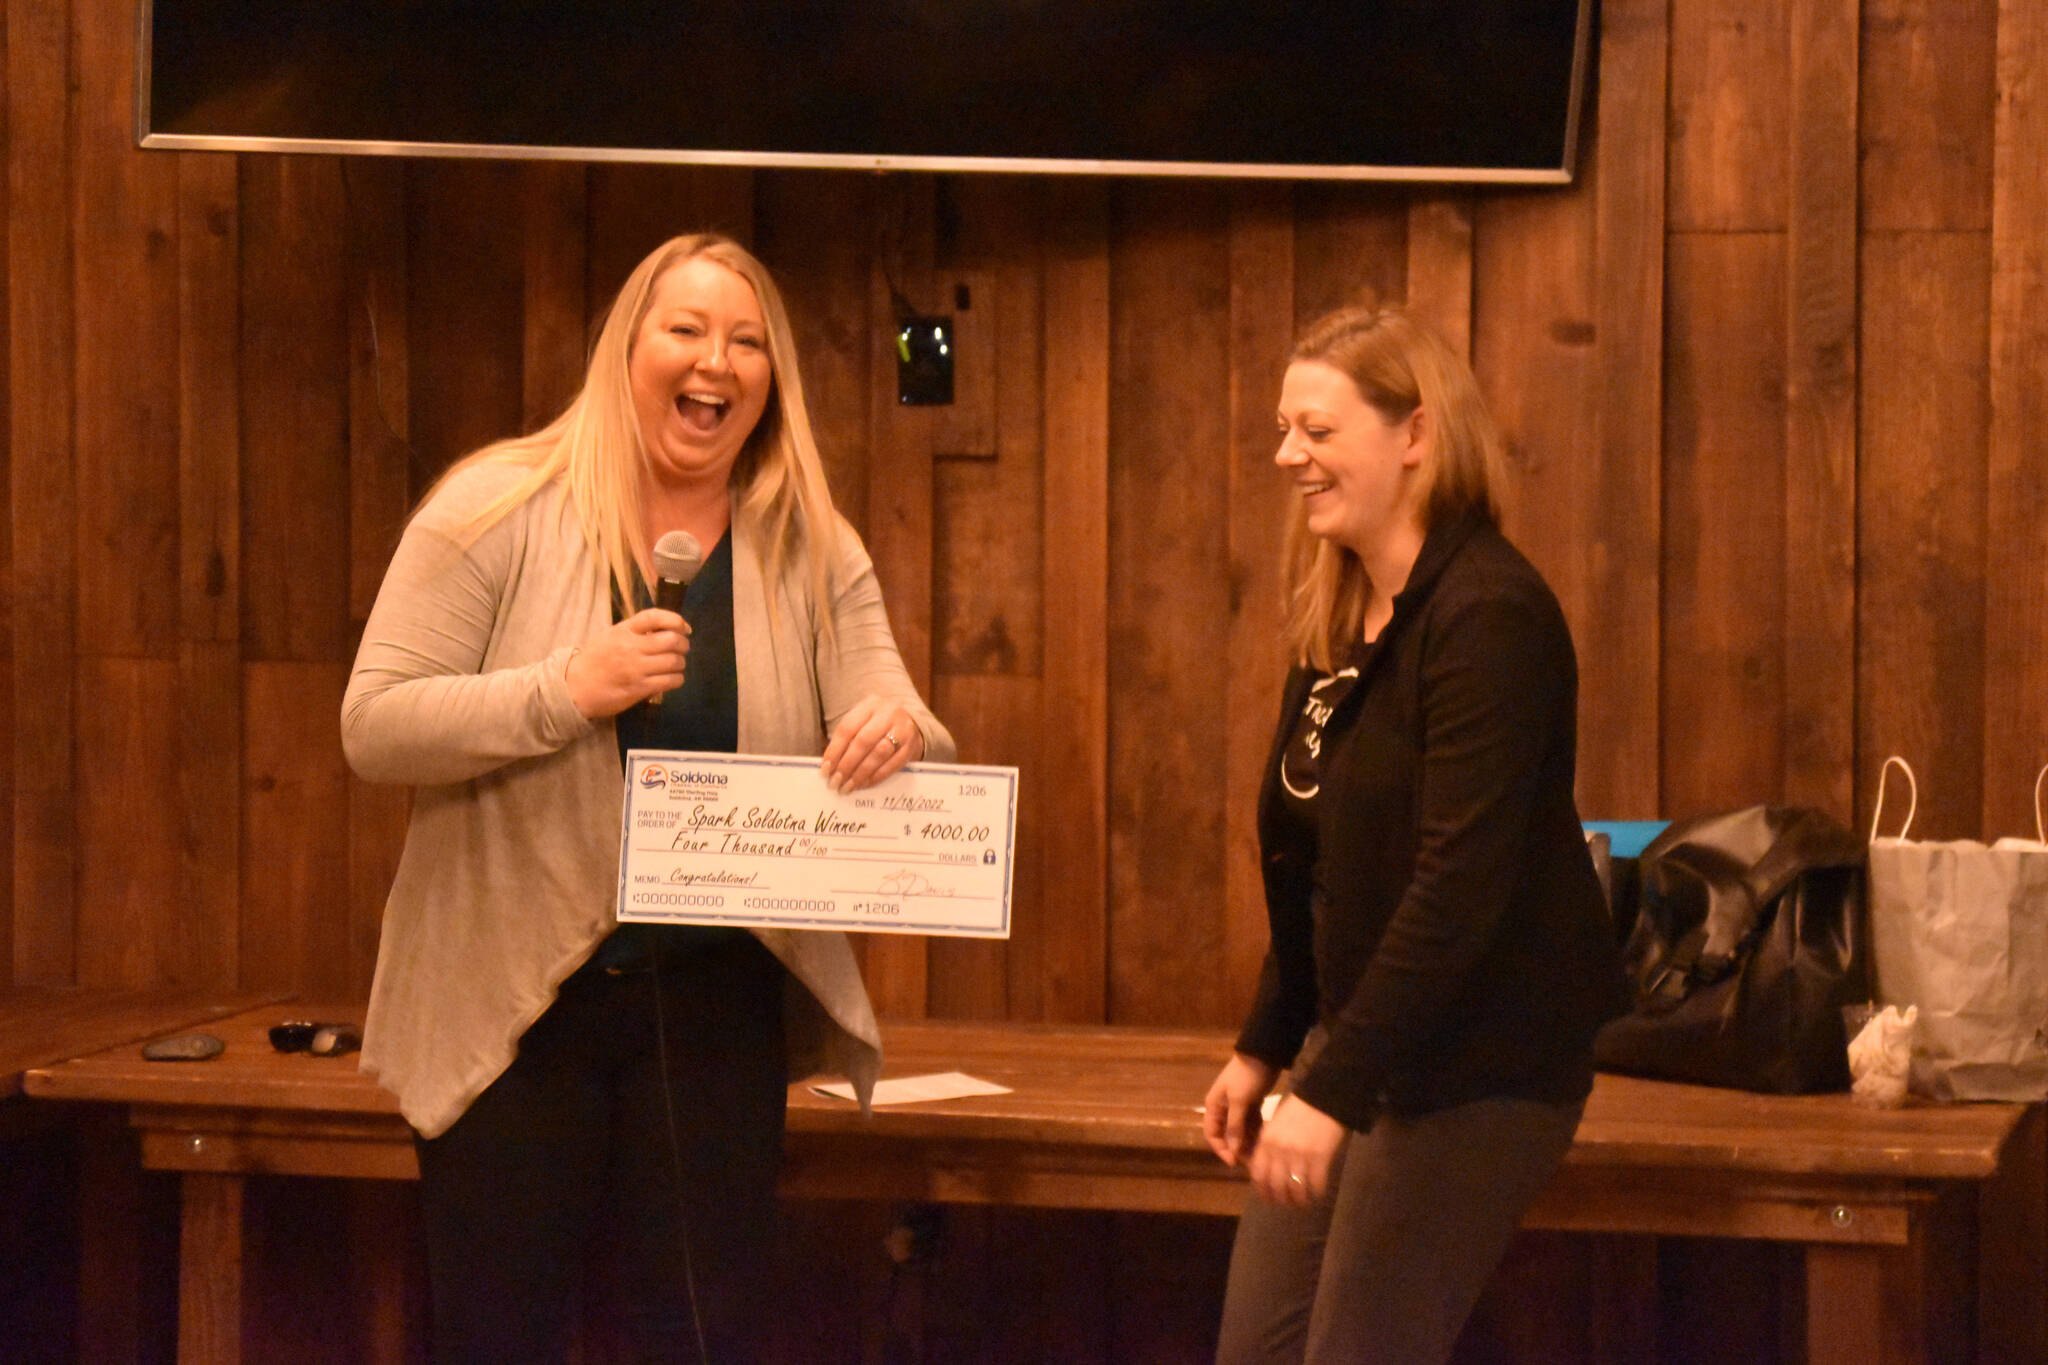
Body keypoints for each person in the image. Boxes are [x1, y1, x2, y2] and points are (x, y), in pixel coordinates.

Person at [342, 232, 953, 1363]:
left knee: (704, 1337)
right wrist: (564, 690)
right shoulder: (492, 506)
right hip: (515, 1013)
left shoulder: (812, 547)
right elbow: (373, 726)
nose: (713, 362)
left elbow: (905, 720)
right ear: (628, 350)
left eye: (746, 341)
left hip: (714, 1011)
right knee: (499, 1335)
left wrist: (898, 730)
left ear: (770, 383)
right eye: (685, 330)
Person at [1202, 306, 1628, 1364]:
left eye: (1315, 429)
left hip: (1475, 1070)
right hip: (1359, 1048)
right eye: (1283, 428)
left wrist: (1330, 1091)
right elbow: (1315, 869)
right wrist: (1267, 1043)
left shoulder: (1490, 617)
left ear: (1416, 436)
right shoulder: (1344, 616)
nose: (1285, 455)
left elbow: (1455, 888)